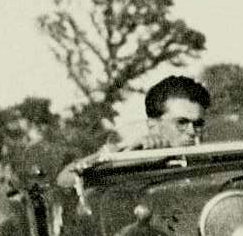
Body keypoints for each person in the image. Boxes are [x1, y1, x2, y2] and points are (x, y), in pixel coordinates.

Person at [56, 75, 211, 186]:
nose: (192, 131)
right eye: (182, 122)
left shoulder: (213, 161)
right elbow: (65, 178)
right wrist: (135, 154)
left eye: (198, 123)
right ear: (153, 124)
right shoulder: (132, 157)